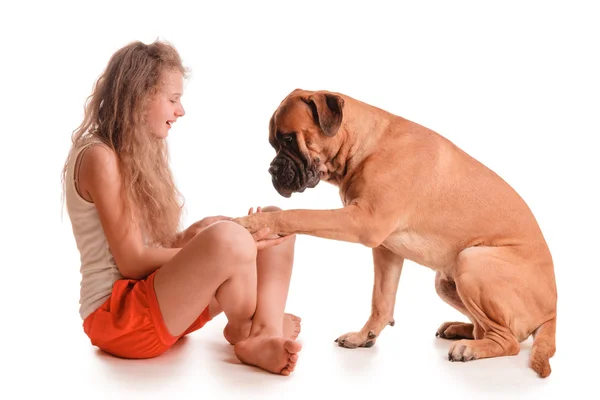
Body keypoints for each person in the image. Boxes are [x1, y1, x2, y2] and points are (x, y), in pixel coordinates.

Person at [61, 39, 302, 376]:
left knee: (277, 220)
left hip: (159, 301)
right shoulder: (99, 157)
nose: (180, 111)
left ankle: (261, 332)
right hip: (119, 317)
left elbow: (142, 249)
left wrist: (189, 238)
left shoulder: (134, 151)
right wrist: (215, 248)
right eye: (173, 99)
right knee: (230, 240)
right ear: (139, 98)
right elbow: (130, 262)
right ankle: (257, 326)